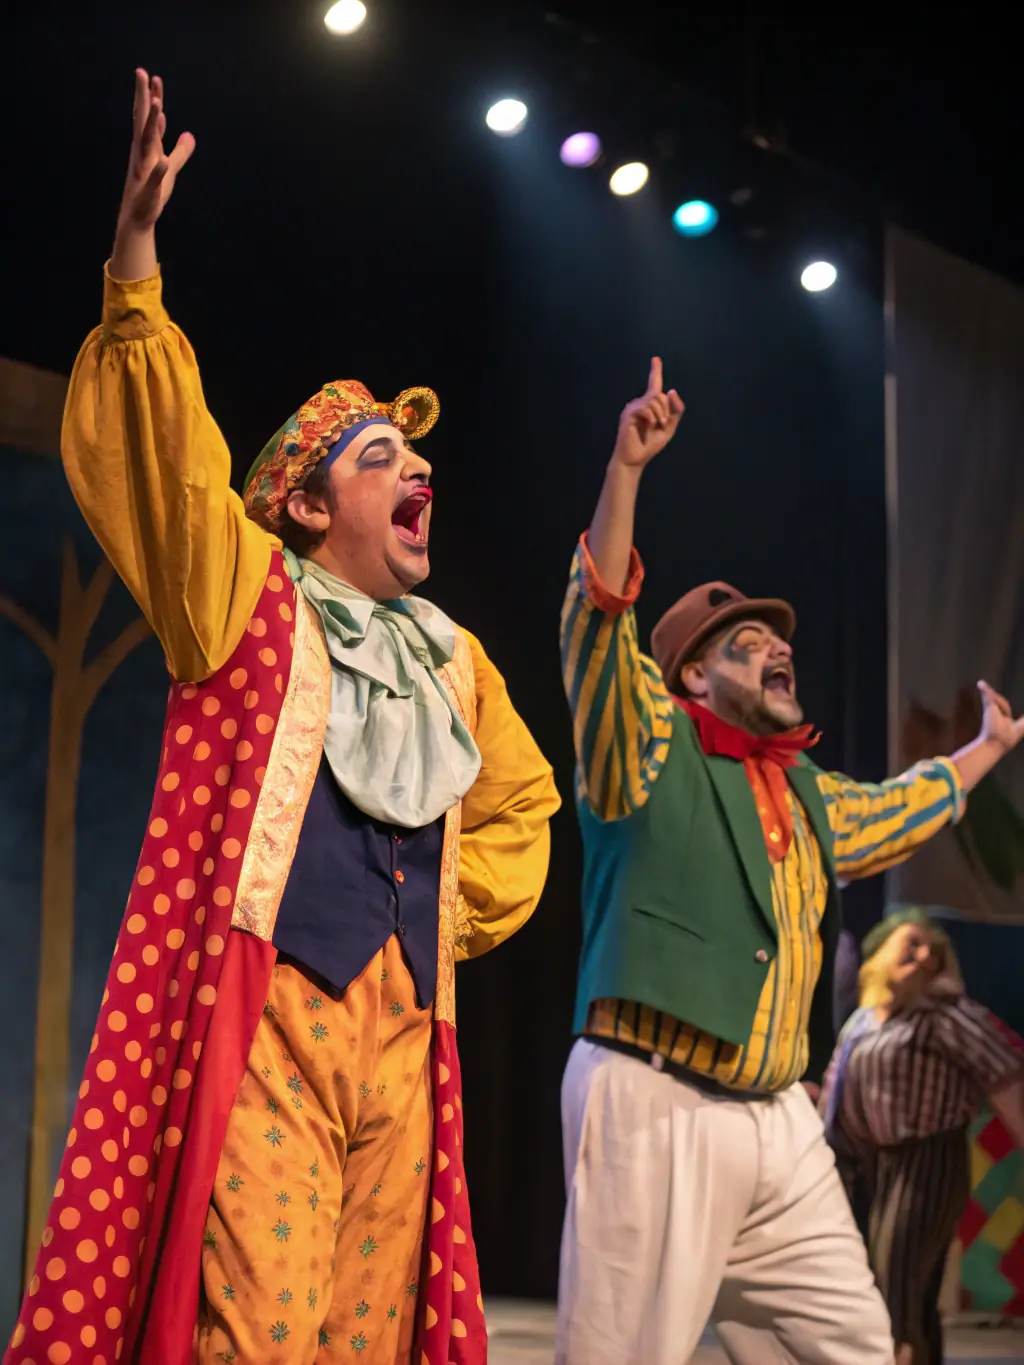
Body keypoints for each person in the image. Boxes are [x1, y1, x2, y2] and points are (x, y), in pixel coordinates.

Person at [6, 71, 560, 1365]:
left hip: (407, 1041)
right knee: (259, 1330)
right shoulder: (250, 597)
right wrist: (135, 267)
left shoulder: (456, 661)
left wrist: (443, 916)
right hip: (278, 1024)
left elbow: (521, 806)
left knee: (365, 1338)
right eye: (381, 459)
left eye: (418, 461)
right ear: (310, 505)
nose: (418, 470)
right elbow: (173, 467)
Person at [555, 357, 1024, 1365]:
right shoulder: (644, 744)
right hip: (656, 1098)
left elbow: (897, 810)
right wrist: (625, 470)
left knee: (854, 1345)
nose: (776, 651)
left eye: (778, 641)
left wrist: (985, 750)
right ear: (690, 674)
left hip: (777, 1120)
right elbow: (598, 622)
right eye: (745, 643)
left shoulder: (805, 793)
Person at [820, 908, 1024, 1365]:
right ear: (880, 953)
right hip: (867, 1165)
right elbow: (833, 1095)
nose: (925, 953)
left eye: (934, 950)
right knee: (899, 1290)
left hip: (926, 1162)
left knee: (897, 1287)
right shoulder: (863, 1021)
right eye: (911, 943)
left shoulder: (946, 1015)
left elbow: (1006, 1074)